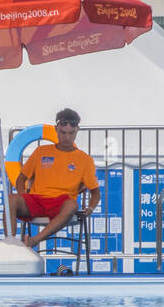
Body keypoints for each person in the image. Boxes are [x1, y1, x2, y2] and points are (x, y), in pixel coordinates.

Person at [8, 107, 100, 249]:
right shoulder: (41, 151)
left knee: (72, 205)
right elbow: (21, 178)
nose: (67, 137)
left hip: (61, 203)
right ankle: (10, 243)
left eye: (71, 133)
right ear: (56, 129)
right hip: (36, 200)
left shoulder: (85, 159)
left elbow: (95, 192)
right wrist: (23, 195)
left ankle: (34, 240)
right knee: (11, 199)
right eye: (63, 133)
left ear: (77, 131)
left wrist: (90, 208)